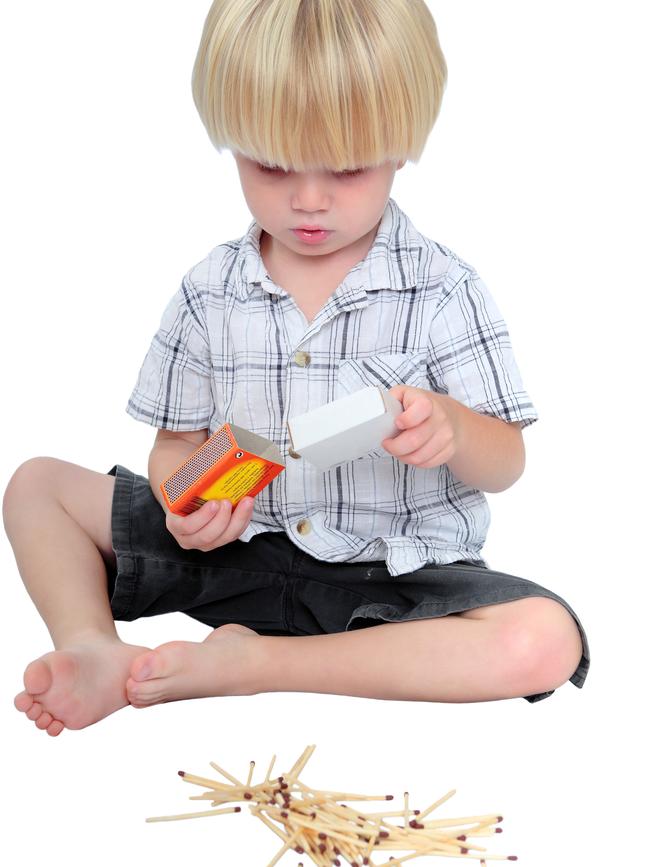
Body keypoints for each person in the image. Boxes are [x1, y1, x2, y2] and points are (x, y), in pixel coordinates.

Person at [4, 0, 589, 737]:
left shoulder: (443, 289)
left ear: (402, 144)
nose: (309, 200)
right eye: (272, 164)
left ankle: (257, 667)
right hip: (239, 556)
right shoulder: (209, 288)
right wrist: (185, 501)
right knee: (36, 485)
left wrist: (452, 429)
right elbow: (175, 445)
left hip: (388, 582)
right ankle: (92, 645)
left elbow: (507, 458)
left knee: (545, 638)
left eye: (346, 168)